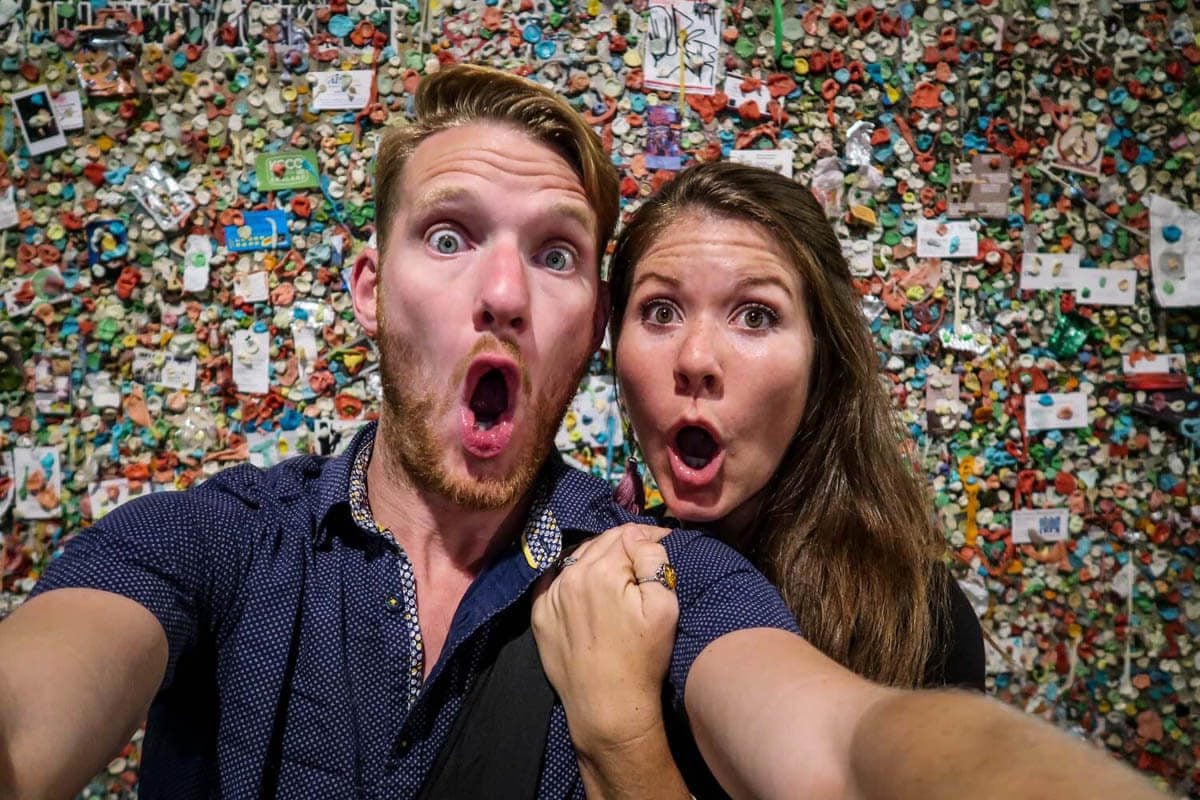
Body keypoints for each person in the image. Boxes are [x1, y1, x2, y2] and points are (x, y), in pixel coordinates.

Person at [0, 65, 801, 799]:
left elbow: (837, 743)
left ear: (593, 324)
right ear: (370, 291)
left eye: (555, 255)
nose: (502, 294)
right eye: (448, 237)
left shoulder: (659, 580)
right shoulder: (211, 542)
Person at [531, 163, 1167, 799]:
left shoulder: (918, 618)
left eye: (755, 316)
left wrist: (619, 739)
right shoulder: (582, 576)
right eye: (661, 310)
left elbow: (865, 747)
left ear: (821, 358)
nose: (695, 359)